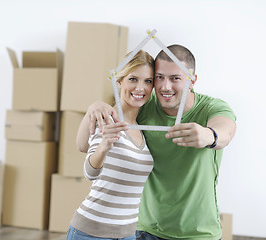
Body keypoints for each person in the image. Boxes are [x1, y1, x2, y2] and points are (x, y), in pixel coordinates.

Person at [76, 44, 236, 240]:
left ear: (192, 80)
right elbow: (85, 145)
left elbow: (225, 131)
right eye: (159, 77)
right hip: (146, 231)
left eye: (175, 78)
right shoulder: (143, 105)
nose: (165, 87)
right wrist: (95, 107)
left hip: (199, 233)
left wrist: (209, 136)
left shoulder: (211, 107)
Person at [67, 50, 155, 240]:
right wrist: (104, 146)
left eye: (147, 81)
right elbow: (90, 173)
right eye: (133, 79)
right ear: (119, 82)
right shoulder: (106, 118)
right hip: (91, 233)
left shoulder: (141, 127)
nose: (140, 87)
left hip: (128, 234)